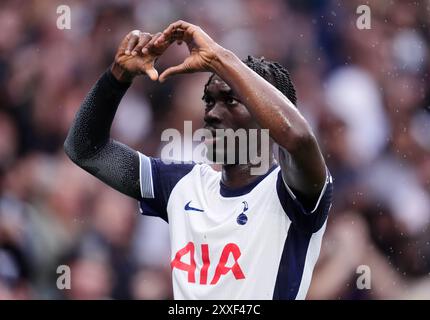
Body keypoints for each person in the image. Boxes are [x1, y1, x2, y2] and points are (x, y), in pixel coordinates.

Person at [64, 20, 333, 300]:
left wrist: (219, 57)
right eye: (209, 101)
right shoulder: (182, 185)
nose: (211, 114)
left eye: (230, 100)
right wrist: (116, 78)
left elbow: (297, 138)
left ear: (266, 113)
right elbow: (85, 148)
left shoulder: (295, 192)